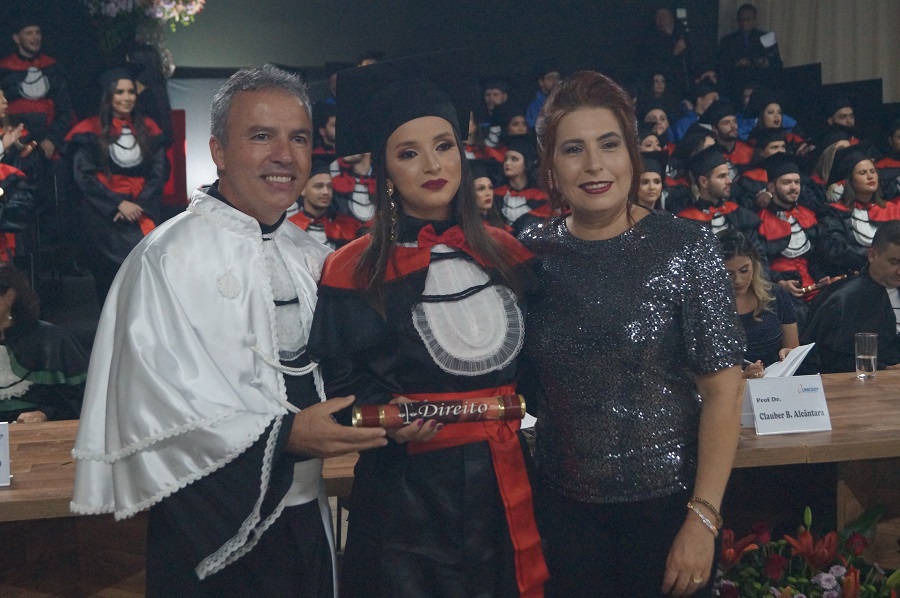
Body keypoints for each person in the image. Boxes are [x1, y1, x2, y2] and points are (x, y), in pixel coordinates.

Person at [70, 64, 387, 597]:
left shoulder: (314, 255)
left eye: (298, 138)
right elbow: (157, 409)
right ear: (217, 150)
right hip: (207, 532)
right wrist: (287, 436)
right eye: (261, 136)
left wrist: (395, 408)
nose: (284, 155)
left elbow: (342, 371)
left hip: (308, 518)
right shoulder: (165, 259)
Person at [308, 50, 548, 597]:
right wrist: (385, 420)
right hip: (403, 497)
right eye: (408, 153)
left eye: (443, 146)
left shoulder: (510, 255)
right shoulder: (352, 270)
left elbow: (540, 370)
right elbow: (342, 386)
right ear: (386, 172)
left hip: (504, 481)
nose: (432, 165)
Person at [520, 70, 744, 597]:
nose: (594, 165)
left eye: (609, 144)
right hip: (561, 517)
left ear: (632, 155)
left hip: (668, 515)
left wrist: (703, 520)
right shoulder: (529, 253)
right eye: (573, 149)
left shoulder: (686, 247)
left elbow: (724, 392)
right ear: (550, 166)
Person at [65, 66, 167, 303]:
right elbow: (83, 176)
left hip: (140, 212)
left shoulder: (149, 129)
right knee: (108, 282)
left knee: (143, 282)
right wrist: (118, 204)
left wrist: (138, 206)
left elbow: (158, 173)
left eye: (131, 92)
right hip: (103, 216)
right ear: (108, 96)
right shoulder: (89, 131)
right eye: (120, 92)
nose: (127, 97)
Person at [802, 220, 900, 372]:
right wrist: (884, 370)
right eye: (894, 262)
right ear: (872, 255)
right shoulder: (840, 299)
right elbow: (820, 359)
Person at [0, 262, 87, 423]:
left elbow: (85, 400)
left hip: (37, 432)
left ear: (9, 297)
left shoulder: (50, 339)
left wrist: (45, 414)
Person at [718, 229, 798, 379]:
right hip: (728, 388)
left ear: (753, 264)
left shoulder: (776, 295)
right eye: (729, 274)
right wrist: (742, 378)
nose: (738, 280)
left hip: (776, 383)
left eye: (744, 270)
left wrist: (789, 355)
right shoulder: (707, 307)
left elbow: (793, 350)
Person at [818, 146, 900, 277]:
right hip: (853, 276)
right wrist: (880, 259)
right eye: (862, 173)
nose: (870, 176)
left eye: (872, 171)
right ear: (850, 180)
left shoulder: (893, 209)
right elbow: (835, 250)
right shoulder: (834, 212)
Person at [287, 155, 359, 249]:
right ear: (302, 190)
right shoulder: (289, 227)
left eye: (329, 186)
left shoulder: (346, 227)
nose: (326, 192)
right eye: (318, 186)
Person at [717, 3, 782, 99]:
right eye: (741, 19)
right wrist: (736, 63)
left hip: (761, 83)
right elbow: (721, 65)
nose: (744, 23)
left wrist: (765, 62)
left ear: (755, 20)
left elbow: (777, 63)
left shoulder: (767, 37)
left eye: (748, 19)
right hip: (736, 85)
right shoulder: (727, 40)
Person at [494, 135, 551, 234]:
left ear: (526, 163)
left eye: (514, 159)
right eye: (506, 159)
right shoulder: (496, 195)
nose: (507, 163)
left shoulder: (540, 197)